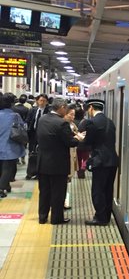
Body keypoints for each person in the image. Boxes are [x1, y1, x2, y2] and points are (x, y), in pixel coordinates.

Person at [36, 97, 80, 225]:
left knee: (44, 192)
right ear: (61, 108)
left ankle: (42, 217)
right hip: (58, 164)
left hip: (43, 162)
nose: (66, 111)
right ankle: (56, 219)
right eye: (65, 108)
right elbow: (70, 142)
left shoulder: (42, 119)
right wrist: (79, 138)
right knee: (58, 192)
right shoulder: (62, 123)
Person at [79, 99, 119, 226]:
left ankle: (100, 218)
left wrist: (81, 138)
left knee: (98, 190)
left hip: (100, 161)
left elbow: (88, 142)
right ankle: (106, 216)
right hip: (112, 160)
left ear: (91, 108)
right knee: (108, 189)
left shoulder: (92, 122)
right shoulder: (110, 122)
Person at [0, 93, 27, 197]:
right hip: (9, 146)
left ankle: (6, 186)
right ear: (11, 104)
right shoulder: (15, 116)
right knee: (7, 168)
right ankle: (1, 188)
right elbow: (21, 128)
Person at [26, 94, 50, 179]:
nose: (42, 102)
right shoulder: (33, 110)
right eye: (40, 100)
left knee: (41, 154)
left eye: (44, 101)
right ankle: (30, 172)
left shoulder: (48, 112)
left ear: (47, 102)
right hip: (33, 134)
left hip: (44, 135)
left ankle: (39, 173)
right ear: (37, 101)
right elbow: (28, 120)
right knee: (31, 153)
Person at [63, 104, 79, 209]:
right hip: (66, 156)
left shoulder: (72, 125)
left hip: (72, 154)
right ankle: (63, 201)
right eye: (71, 114)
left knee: (67, 180)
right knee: (64, 180)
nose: (73, 117)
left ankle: (65, 200)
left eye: (74, 115)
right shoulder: (63, 126)